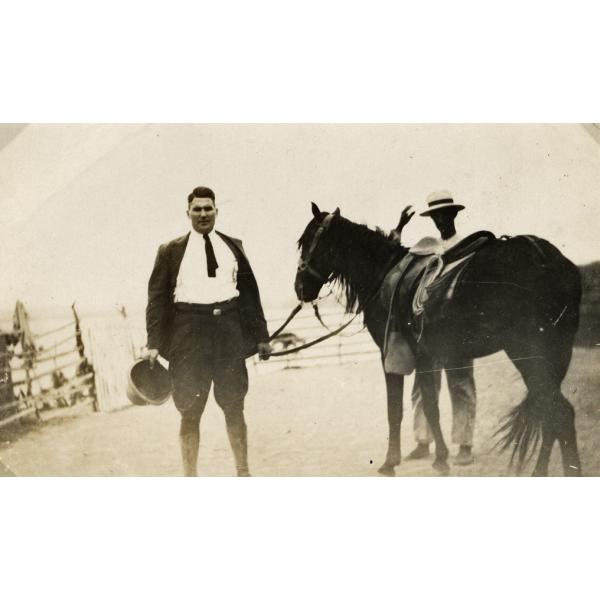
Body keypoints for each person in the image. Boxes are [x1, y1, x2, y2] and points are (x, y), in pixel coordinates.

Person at [144, 186, 272, 476]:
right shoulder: (170, 251)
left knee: (234, 405)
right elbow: (157, 300)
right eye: (197, 209)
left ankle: (243, 472)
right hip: (188, 337)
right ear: (187, 212)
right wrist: (153, 342)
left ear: (217, 211)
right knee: (189, 410)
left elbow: (250, 295)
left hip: (228, 334)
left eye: (208, 208)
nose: (203, 214)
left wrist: (262, 336)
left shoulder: (234, 246)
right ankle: (191, 477)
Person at [393, 191, 477, 466]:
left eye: (445, 215)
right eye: (436, 216)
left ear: (453, 215)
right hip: (428, 330)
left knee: (460, 382)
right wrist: (400, 228)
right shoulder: (427, 249)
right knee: (423, 385)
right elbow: (399, 257)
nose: (441, 220)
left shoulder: (468, 247)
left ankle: (464, 444)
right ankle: (423, 441)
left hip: (457, 326)